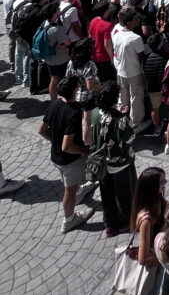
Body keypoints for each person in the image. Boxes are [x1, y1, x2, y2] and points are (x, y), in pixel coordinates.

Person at [38, 74, 94, 233]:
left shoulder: (54, 104)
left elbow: (41, 130)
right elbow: (67, 146)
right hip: (69, 161)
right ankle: (69, 220)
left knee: (71, 184)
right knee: (69, 192)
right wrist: (84, 151)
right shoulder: (74, 111)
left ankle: (79, 191)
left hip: (55, 157)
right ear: (75, 91)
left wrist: (54, 140)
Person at [91, 80, 137, 237]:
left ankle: (109, 224)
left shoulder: (95, 113)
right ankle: (124, 222)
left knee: (107, 194)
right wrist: (123, 115)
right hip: (120, 163)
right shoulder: (121, 119)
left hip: (102, 163)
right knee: (124, 195)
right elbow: (130, 139)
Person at [111, 6, 148, 132]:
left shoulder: (117, 34)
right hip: (134, 72)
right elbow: (140, 56)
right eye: (135, 19)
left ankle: (122, 119)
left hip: (121, 70)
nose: (138, 21)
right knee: (136, 98)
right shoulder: (135, 38)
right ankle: (136, 122)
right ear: (128, 23)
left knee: (123, 97)